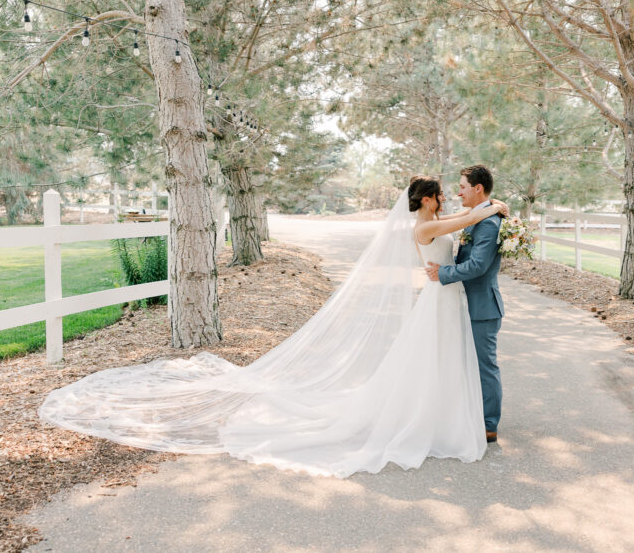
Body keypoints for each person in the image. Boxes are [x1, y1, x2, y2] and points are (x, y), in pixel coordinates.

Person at [39, 174, 507, 478]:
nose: (449, 196)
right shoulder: (424, 228)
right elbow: (468, 219)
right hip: (437, 300)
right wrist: (495, 208)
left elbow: (464, 218)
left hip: (444, 301)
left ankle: (444, 411)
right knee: (432, 358)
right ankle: (429, 416)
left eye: (454, 191)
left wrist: (491, 208)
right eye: (442, 193)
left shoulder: (438, 218)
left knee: (442, 359)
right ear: (427, 200)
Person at [425, 165, 504, 443]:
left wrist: (443, 273)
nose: (458, 192)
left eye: (462, 186)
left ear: (477, 188)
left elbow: (478, 265)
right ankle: (468, 414)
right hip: (461, 303)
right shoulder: (477, 217)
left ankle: (489, 425)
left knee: (484, 366)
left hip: (482, 306)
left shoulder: (488, 223)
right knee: (464, 363)